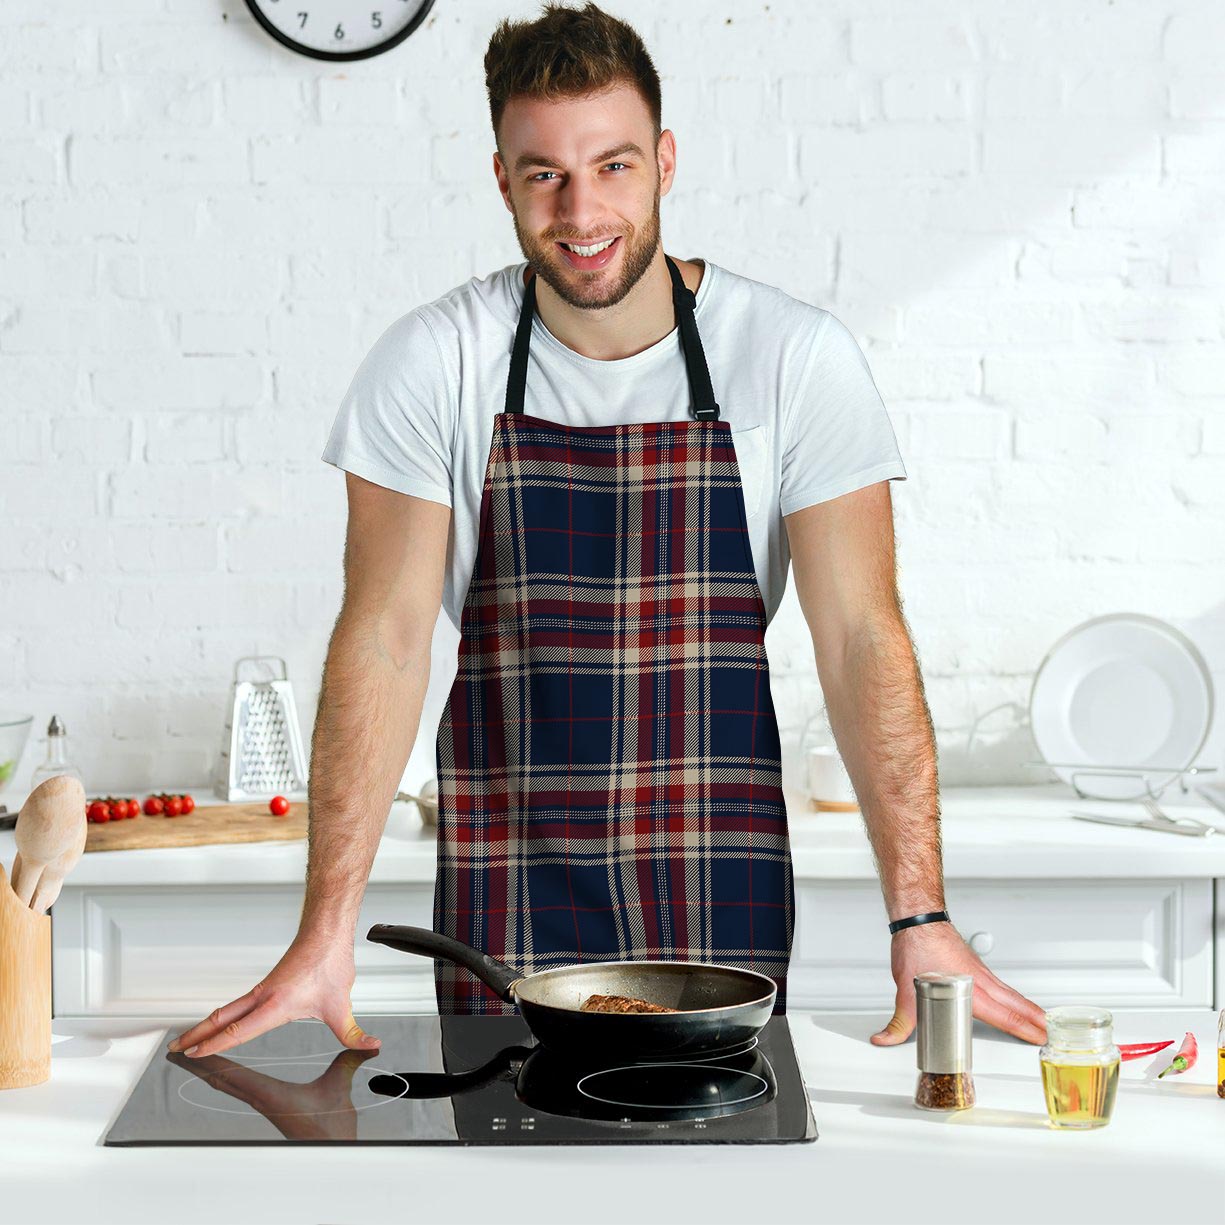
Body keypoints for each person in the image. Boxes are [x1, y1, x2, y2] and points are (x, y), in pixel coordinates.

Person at [169, 2, 1047, 1060]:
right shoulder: (433, 362)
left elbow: (862, 634)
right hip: (505, 893)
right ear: (501, 178)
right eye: (543, 173)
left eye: (613, 165)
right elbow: (386, 640)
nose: (580, 209)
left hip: (717, 881)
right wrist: (324, 931)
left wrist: (919, 914)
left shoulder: (792, 358)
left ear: (664, 161)